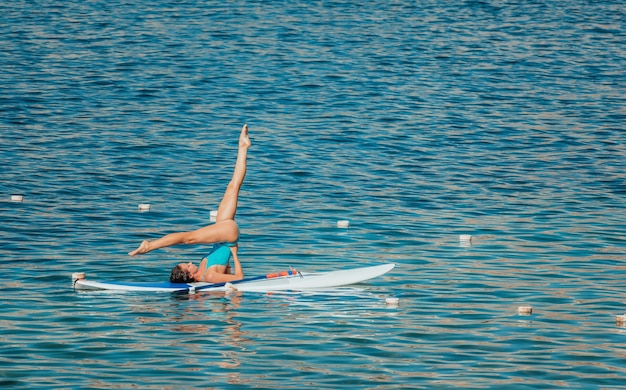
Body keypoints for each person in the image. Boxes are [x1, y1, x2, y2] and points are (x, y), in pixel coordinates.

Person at [129, 124, 251, 284]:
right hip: (228, 236)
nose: (189, 262)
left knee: (232, 187)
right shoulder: (209, 276)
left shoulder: (203, 268)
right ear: (189, 276)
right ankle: (148, 246)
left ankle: (243, 147)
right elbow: (239, 278)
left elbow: (226, 270)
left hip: (223, 234)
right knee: (188, 238)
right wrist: (234, 253)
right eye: (187, 266)